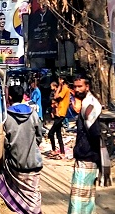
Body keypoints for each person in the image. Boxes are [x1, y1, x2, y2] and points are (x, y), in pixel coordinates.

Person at [68, 75, 111, 214]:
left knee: (79, 200)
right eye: (75, 86)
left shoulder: (90, 105)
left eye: (80, 86)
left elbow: (94, 133)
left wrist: (93, 154)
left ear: (87, 87)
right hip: (87, 156)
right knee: (86, 198)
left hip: (87, 157)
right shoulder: (86, 103)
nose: (77, 89)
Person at [0, 85, 43, 214]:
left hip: (15, 165)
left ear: (10, 97)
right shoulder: (33, 113)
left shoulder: (5, 116)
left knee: (1, 176)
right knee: (33, 194)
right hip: (34, 163)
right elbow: (39, 136)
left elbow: (4, 141)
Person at [48, 76, 70, 159]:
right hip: (58, 114)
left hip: (61, 113)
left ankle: (54, 150)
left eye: (60, 80)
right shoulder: (63, 88)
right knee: (58, 134)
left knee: (51, 133)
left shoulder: (65, 89)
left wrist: (60, 86)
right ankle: (62, 151)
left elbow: (56, 96)